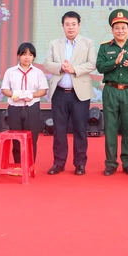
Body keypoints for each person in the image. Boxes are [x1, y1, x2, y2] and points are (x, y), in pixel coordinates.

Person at [43, 11, 97, 176]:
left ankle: (80, 164)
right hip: (59, 93)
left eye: (74, 24)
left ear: (79, 25)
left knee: (80, 129)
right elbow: (47, 63)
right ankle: (58, 163)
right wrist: (60, 66)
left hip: (79, 94)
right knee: (59, 130)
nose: (71, 27)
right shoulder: (54, 44)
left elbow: (92, 64)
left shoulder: (88, 43)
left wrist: (74, 69)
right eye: (67, 24)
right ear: (63, 26)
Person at [96, 9, 128, 176]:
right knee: (110, 127)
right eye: (117, 28)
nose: (120, 31)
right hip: (111, 90)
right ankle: (111, 163)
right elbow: (100, 67)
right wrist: (114, 63)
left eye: (123, 28)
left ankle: (127, 162)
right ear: (112, 30)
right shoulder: (105, 47)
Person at [1, 43, 48, 173]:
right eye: (24, 54)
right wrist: (13, 95)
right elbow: (4, 89)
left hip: (32, 108)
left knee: (32, 138)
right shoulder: (10, 72)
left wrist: (32, 95)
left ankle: (30, 165)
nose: (27, 57)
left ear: (34, 57)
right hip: (14, 107)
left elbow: (43, 90)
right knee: (16, 138)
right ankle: (18, 165)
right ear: (18, 55)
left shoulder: (38, 73)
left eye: (30, 55)